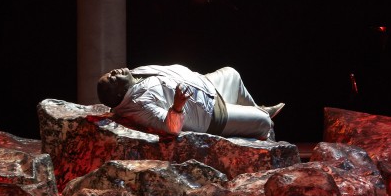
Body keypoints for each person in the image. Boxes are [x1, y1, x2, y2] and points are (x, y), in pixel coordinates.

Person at [97, 63, 284, 140]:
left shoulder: (136, 73)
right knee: (264, 122)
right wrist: (177, 107)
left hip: (208, 86)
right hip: (211, 114)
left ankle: (257, 110)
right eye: (112, 79)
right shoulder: (139, 104)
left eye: (110, 73)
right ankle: (264, 125)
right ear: (119, 93)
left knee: (232, 75)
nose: (114, 72)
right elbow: (170, 127)